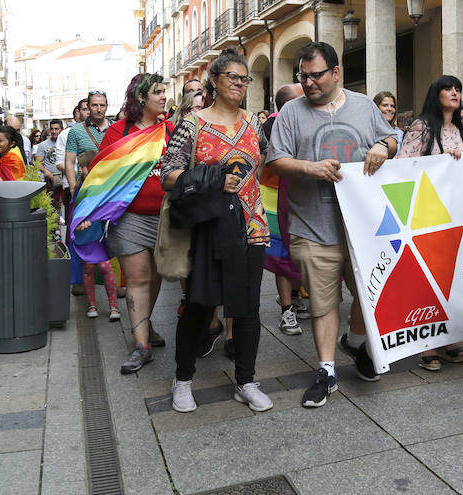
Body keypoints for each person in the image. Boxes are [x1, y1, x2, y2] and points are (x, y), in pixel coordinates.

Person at [266, 41, 397, 408]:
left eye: (316, 75)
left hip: (362, 229)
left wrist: (384, 147)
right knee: (323, 303)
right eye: (302, 77)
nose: (308, 83)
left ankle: (355, 341)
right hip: (312, 226)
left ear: (336, 73)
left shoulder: (364, 106)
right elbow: (276, 160)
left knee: (370, 294)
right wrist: (311, 167)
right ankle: (327, 371)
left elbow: (393, 137)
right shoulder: (291, 113)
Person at [161, 48, 273, 413]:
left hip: (251, 226)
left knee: (247, 309)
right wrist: (211, 178)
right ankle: (183, 380)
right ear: (215, 80)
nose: (240, 84)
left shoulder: (255, 123)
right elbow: (168, 174)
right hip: (208, 229)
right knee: (199, 305)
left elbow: (269, 163)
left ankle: (246, 381)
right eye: (233, 78)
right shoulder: (193, 123)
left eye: (245, 79)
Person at [75, 73, 171, 373]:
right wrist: (87, 213)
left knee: (155, 278)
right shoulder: (117, 132)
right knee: (138, 278)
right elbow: (101, 177)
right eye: (158, 92)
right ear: (141, 97)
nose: (164, 96)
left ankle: (145, 322)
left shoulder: (172, 129)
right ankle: (141, 345)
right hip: (130, 219)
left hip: (167, 218)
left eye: (164, 91)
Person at [400, 75, 463, 370]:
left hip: (456, 214)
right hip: (428, 214)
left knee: (453, 280)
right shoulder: (422, 126)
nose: (455, 93)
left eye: (458, 88)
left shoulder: (459, 127)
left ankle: (448, 337)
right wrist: (439, 163)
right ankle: (428, 344)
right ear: (436, 94)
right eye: (448, 88)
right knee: (431, 280)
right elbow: (402, 165)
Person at [261, 83, 308, 343]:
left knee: (301, 249)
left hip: (302, 197)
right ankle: (286, 309)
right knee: (281, 253)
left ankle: (297, 297)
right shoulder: (269, 127)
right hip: (275, 196)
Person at [66, 91, 118, 320]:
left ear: (107, 106)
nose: (98, 109)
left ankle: (116, 293)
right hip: (86, 193)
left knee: (114, 242)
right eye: (94, 105)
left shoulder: (116, 128)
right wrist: (72, 189)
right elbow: (69, 162)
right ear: (88, 106)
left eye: (102, 105)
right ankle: (89, 296)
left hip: (111, 194)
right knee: (86, 240)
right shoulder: (76, 131)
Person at [56, 99, 89, 297]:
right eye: (84, 109)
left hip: (98, 189)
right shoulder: (67, 134)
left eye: (91, 107)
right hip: (75, 188)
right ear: (77, 113)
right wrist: (78, 175)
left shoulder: (106, 130)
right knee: (75, 234)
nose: (88, 112)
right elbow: (61, 162)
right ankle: (77, 279)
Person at [35, 119, 65, 209]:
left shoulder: (66, 143)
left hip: (65, 178)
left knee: (66, 203)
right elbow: (37, 163)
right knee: (52, 206)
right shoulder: (43, 145)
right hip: (50, 181)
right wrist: (46, 172)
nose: (54, 131)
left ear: (62, 129)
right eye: (52, 129)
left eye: (56, 129)